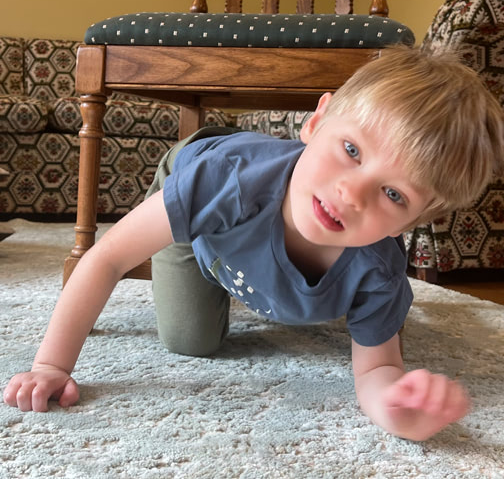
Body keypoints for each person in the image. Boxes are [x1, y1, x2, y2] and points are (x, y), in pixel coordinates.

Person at [3, 46, 503, 441]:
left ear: (414, 221)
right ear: (316, 120)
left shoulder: (379, 271)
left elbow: (379, 370)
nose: (350, 194)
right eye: (350, 150)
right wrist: (50, 366)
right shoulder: (224, 181)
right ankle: (190, 210)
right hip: (201, 180)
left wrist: (399, 411)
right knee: (191, 341)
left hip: (243, 214)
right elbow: (108, 258)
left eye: (394, 194)